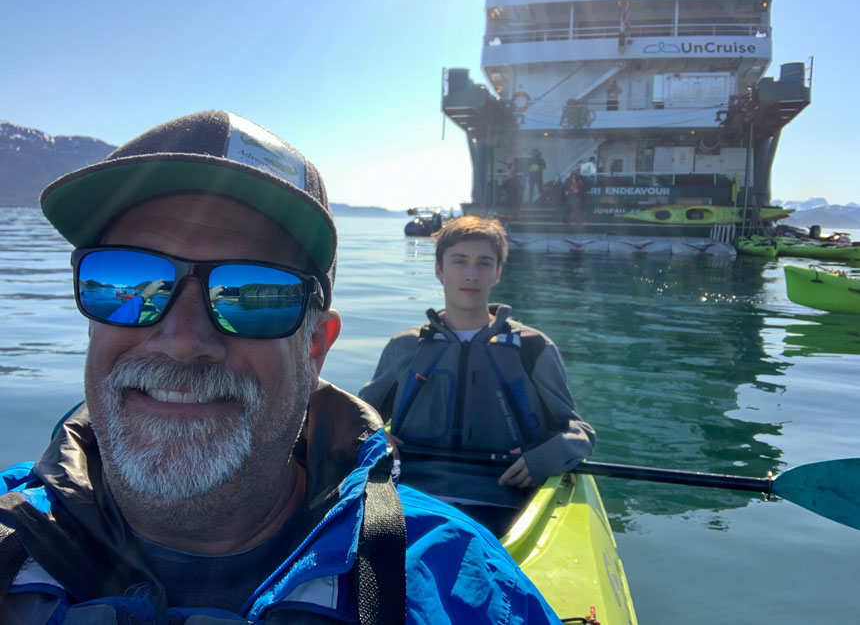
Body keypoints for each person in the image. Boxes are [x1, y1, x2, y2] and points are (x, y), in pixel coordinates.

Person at [0, 112, 561, 623]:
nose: (181, 341)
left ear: (315, 347)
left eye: (252, 291)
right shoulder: (9, 533)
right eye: (127, 283)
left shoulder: (464, 590)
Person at [358, 217, 595, 535]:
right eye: (460, 261)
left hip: (504, 506)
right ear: (439, 270)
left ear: (497, 273)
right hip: (408, 503)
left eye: (484, 263)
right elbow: (358, 417)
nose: (471, 274)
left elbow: (579, 432)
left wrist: (545, 459)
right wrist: (376, 435)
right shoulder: (406, 346)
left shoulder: (532, 348)